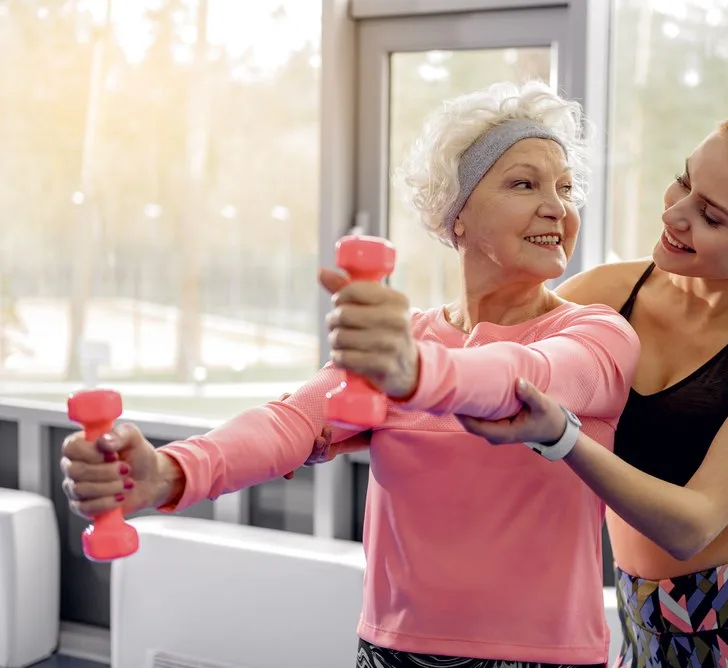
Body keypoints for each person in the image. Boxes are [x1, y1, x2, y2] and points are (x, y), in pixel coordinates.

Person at [58, 80, 640, 668]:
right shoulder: (402, 341)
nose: (557, 207)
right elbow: (290, 422)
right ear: (455, 215)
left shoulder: (597, 337)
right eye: (524, 183)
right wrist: (166, 472)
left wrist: (411, 372)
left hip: (548, 657)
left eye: (566, 188)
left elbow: (521, 376)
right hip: (391, 650)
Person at [457, 110, 728, 667]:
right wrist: (353, 425)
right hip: (639, 618)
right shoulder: (605, 294)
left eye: (710, 215)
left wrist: (562, 438)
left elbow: (693, 525)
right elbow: (484, 377)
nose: (675, 213)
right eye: (685, 181)